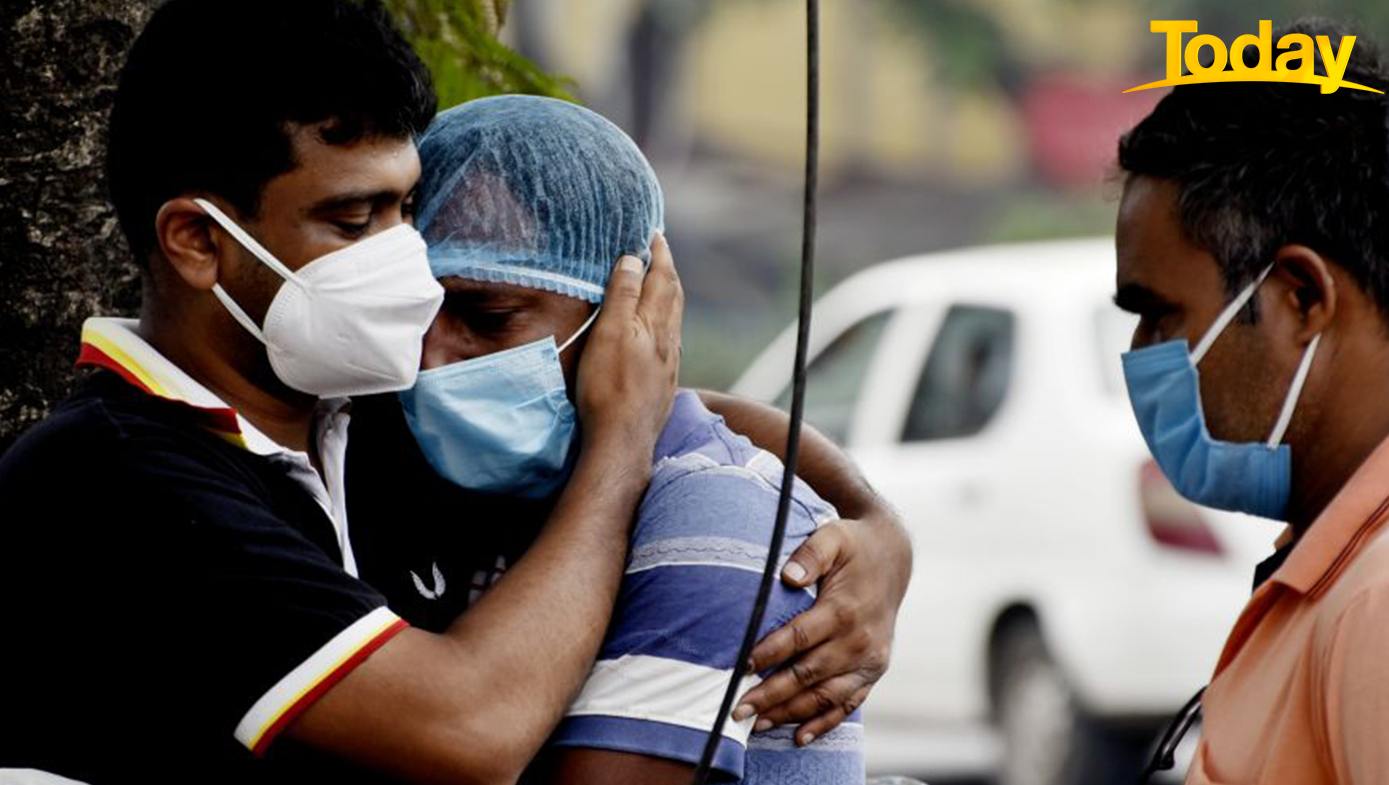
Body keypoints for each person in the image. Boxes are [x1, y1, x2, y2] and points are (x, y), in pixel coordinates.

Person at [0, 2, 909, 783]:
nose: (404, 266)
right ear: (199, 241)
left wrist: (873, 526)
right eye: (354, 219)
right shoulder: (111, 484)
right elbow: (468, 734)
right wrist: (622, 448)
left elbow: (661, 402)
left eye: (404, 208)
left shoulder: (358, 409)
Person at [349, 94, 864, 784]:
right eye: (418, 309)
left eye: (490, 314)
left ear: (630, 315)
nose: (429, 357)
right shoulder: (468, 481)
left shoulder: (717, 519)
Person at [1114, 20, 1389, 785]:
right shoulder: (1333, 564)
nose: (1142, 355)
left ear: (1300, 297)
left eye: (1160, 312)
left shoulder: (1383, 601)